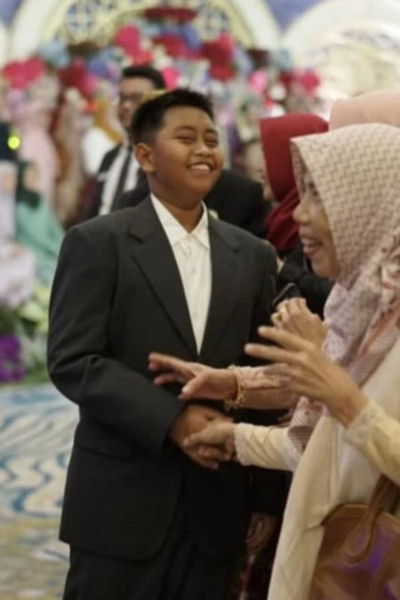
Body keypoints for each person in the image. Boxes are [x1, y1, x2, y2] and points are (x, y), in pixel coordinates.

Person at [47, 88, 288, 600]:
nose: (204, 150)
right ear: (146, 155)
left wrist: (266, 497)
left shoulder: (252, 255)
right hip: (121, 496)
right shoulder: (99, 242)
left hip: (218, 499)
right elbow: (74, 360)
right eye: (186, 138)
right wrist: (171, 419)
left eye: (211, 140)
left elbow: (265, 373)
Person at [149, 123, 400, 599]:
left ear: (371, 204)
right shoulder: (360, 309)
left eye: (320, 198)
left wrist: (347, 402)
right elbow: (318, 452)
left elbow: (349, 420)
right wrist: (233, 409)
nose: (298, 214)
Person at [260, 113, 331, 317]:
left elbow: (335, 296)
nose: (260, 168)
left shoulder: (323, 220)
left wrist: (280, 268)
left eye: (269, 156)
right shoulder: (280, 221)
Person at [86, 64, 166, 218]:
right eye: (122, 98)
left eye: (136, 98)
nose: (126, 106)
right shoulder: (110, 158)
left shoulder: (165, 162)